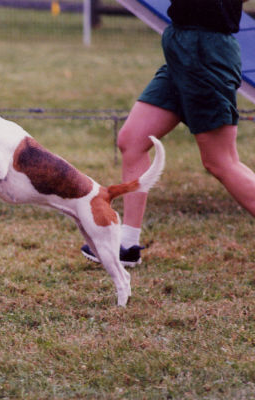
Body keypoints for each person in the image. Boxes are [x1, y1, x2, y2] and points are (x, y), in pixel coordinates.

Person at [82, 0, 255, 266]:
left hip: (206, 51)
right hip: (182, 48)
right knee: (133, 140)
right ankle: (127, 243)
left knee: (221, 162)